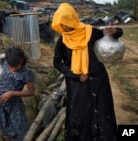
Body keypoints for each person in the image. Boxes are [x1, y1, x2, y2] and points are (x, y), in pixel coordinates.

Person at [51, 3, 123, 141]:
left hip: (98, 79)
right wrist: (74, 74)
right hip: (77, 83)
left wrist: (116, 31)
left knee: (103, 110)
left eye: (65, 22)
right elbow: (56, 62)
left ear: (72, 18)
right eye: (61, 23)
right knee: (81, 114)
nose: (64, 26)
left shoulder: (91, 32)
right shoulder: (63, 40)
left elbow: (110, 36)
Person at [0, 47, 35, 141]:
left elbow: (31, 92)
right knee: (4, 127)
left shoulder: (26, 73)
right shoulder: (5, 62)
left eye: (15, 66)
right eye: (10, 66)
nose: (12, 69)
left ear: (21, 61)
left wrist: (12, 93)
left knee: (19, 129)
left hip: (14, 105)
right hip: (0, 102)